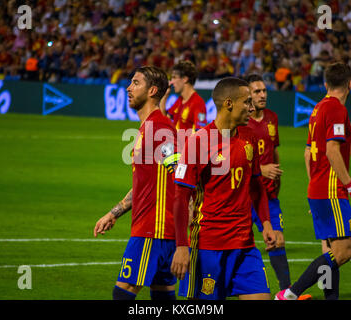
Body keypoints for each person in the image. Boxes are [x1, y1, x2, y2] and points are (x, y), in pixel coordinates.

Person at [170, 77, 277, 300]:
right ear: (229, 104)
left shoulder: (249, 137)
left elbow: (256, 185)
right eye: (246, 102)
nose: (252, 107)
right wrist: (181, 247)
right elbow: (180, 198)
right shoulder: (199, 142)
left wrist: (266, 223)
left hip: (245, 244)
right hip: (209, 245)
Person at [276, 62, 351, 300]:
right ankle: (290, 293)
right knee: (343, 252)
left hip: (318, 187)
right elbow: (332, 151)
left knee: (330, 249)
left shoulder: (317, 109)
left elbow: (308, 153)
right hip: (331, 189)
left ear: (325, 84)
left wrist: (314, 186)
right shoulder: (337, 108)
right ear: (350, 84)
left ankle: (330, 298)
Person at [93, 66, 180, 300]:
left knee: (123, 294)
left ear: (152, 90)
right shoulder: (148, 129)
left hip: (153, 230)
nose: (128, 88)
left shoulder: (159, 130)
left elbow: (182, 174)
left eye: (135, 83)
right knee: (163, 295)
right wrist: (114, 213)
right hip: (161, 231)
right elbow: (145, 183)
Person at [245, 74, 311, 300]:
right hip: (244, 195)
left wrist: (276, 180)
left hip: (268, 195)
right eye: (257, 91)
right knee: (236, 245)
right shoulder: (242, 123)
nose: (262, 95)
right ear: (247, 95)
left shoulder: (272, 117)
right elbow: (232, 160)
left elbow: (273, 151)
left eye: (264, 90)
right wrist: (261, 170)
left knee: (277, 240)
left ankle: (286, 292)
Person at [159, 60, 207, 133]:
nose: (171, 82)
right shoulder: (180, 100)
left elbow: (200, 135)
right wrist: (165, 96)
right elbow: (164, 120)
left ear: (185, 79)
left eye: (174, 77)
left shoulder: (198, 103)